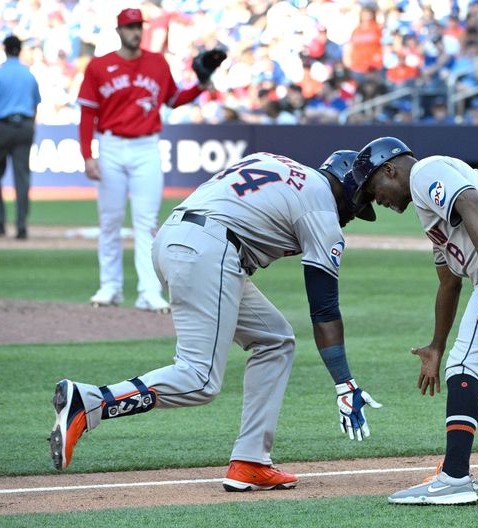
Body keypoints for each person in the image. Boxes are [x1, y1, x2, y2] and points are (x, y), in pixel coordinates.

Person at [49, 150, 382, 491]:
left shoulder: (278, 162)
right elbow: (324, 309)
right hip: (211, 250)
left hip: (175, 238)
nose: (353, 216)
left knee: (276, 339)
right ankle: (90, 402)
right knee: (199, 378)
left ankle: (251, 460)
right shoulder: (321, 208)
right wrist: (345, 382)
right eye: (357, 207)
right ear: (347, 186)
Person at [350, 138, 478, 505]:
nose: (377, 201)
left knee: (463, 367)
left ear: (389, 170)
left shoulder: (425, 172)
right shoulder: (427, 208)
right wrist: (436, 345)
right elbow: (448, 282)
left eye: (373, 189)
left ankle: (454, 478)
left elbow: (474, 203)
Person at [77, 8, 211, 312]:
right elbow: (87, 113)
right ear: (119, 30)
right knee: (109, 221)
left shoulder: (157, 62)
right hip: (110, 145)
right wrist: (88, 155)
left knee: (147, 223)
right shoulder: (100, 65)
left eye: (138, 26)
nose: (135, 31)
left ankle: (149, 291)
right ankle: (109, 287)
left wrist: (200, 86)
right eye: (130, 27)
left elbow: (173, 99)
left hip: (147, 146)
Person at [0, 35, 41, 240]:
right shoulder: (29, 75)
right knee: (22, 178)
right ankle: (21, 226)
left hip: (2, 127)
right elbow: (35, 106)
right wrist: (30, 127)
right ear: (20, 50)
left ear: (5, 49)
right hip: (24, 125)